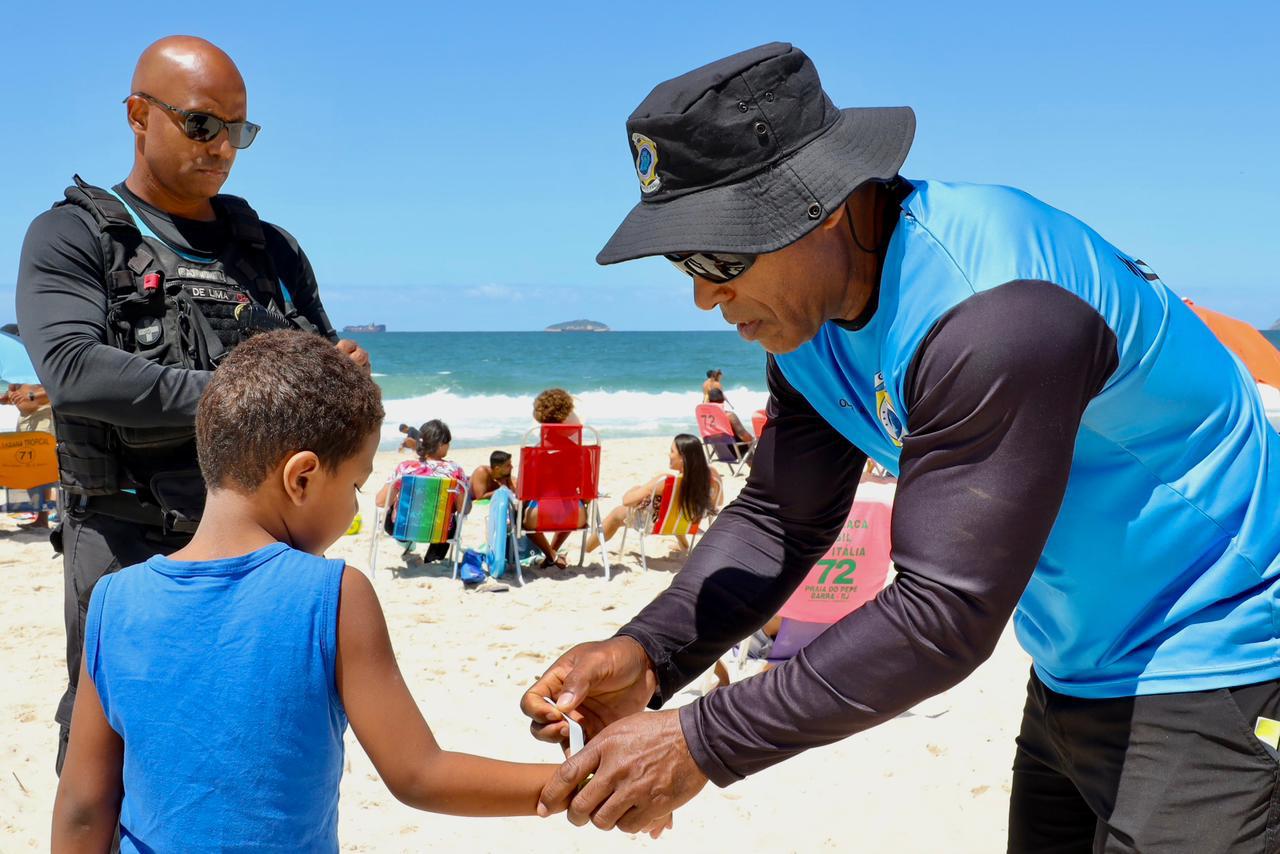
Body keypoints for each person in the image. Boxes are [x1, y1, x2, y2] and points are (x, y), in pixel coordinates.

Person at [519, 43, 1280, 850]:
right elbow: (781, 516)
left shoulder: (995, 309)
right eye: (685, 261)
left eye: (721, 255)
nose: (706, 295)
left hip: (1221, 646)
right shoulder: (808, 324)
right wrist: (649, 655)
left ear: (825, 203)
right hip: (1076, 663)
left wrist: (698, 743)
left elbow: (944, 612)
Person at [49, 331, 627, 850]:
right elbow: (420, 773)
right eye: (354, 485)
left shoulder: (113, 601)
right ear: (301, 477)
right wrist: (587, 779)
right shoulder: (333, 595)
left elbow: (82, 807)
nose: (354, 505)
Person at [15, 35, 370, 773]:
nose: (223, 148)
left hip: (266, 551)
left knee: (257, 749)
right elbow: (75, 371)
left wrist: (344, 379)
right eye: (203, 124)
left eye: (239, 130)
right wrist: (248, 396)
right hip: (129, 545)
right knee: (112, 759)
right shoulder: (75, 236)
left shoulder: (269, 250)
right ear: (138, 115)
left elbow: (317, 379)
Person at [584, 433, 720, 554]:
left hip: (659, 524)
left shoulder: (666, 482)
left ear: (682, 458)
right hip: (687, 521)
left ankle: (587, 549)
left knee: (617, 513)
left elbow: (627, 501)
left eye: (672, 451)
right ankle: (684, 544)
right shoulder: (712, 477)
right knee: (675, 507)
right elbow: (718, 502)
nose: (669, 454)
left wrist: (640, 487)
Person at [375, 419, 466, 562]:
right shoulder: (455, 470)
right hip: (441, 533)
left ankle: (407, 542)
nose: (449, 446)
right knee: (450, 514)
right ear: (441, 444)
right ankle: (436, 552)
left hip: (401, 529)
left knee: (393, 503)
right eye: (448, 442)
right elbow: (463, 509)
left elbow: (380, 502)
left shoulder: (405, 468)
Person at [524, 388, 587, 569]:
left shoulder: (534, 452)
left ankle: (550, 554)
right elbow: (585, 491)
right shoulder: (579, 452)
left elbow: (525, 491)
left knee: (523, 519)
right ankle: (553, 552)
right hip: (576, 515)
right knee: (573, 502)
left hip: (539, 514)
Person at [3, 381, 57, 528]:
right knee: (25, 469)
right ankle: (39, 515)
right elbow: (13, 391)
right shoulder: (14, 372)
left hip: (43, 416)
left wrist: (31, 396)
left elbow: (56, 388)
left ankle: (43, 517)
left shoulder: (39, 368)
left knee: (41, 471)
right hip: (24, 419)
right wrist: (8, 397)